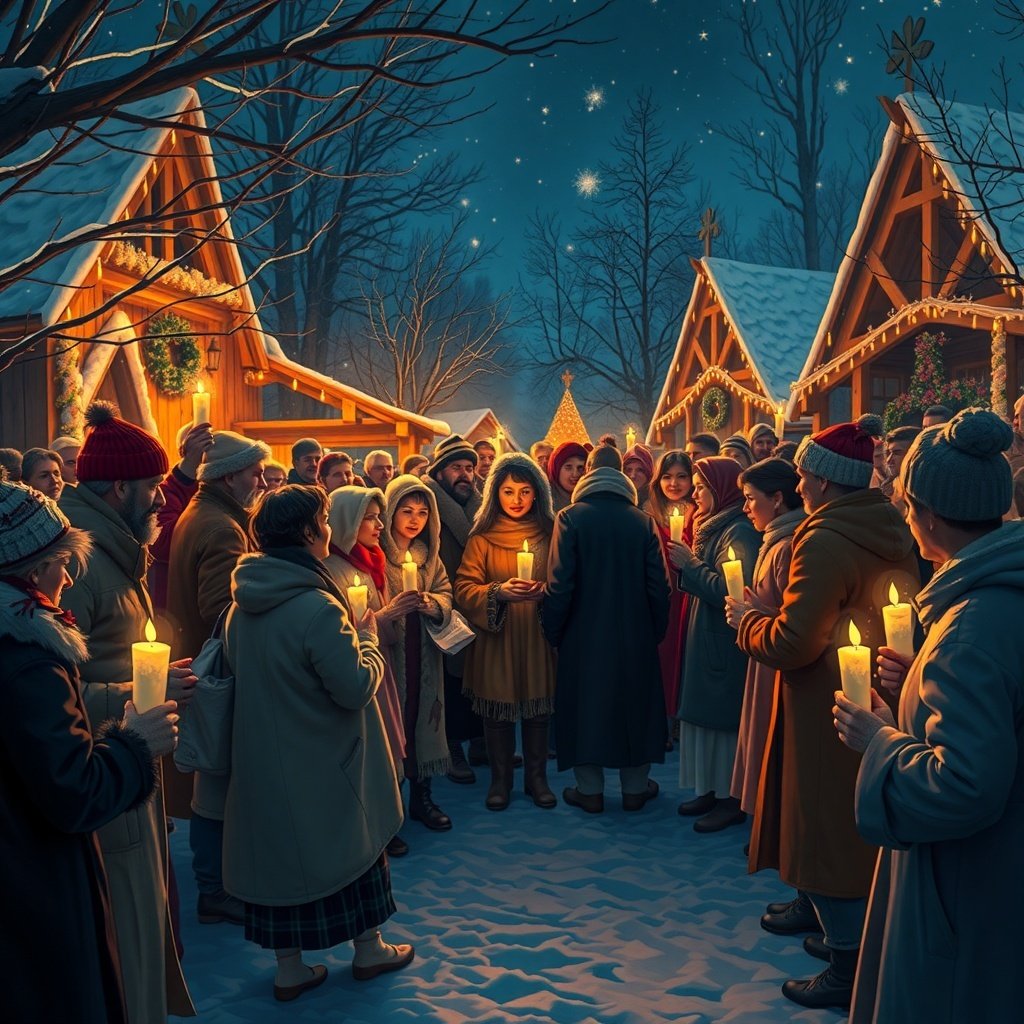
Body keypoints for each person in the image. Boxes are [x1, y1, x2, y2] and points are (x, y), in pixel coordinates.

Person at [833, 409, 1024, 1024]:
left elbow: (964, 785)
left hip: (968, 886)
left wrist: (880, 740)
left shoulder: (969, 628)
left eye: (906, 502)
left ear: (932, 514)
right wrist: (912, 692)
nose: (902, 513)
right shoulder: (993, 596)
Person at [735, 420, 920, 1011]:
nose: (798, 484)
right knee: (838, 817)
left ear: (820, 480)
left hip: (825, 705)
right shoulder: (887, 526)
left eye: (804, 475)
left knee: (823, 825)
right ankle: (827, 919)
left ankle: (846, 959)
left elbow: (794, 641)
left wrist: (747, 623)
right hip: (866, 694)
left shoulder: (824, 538)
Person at [223, 485, 414, 1002]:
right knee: (354, 846)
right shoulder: (316, 608)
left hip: (265, 757)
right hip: (328, 759)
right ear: (309, 532)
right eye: (324, 518)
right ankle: (369, 947)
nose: (330, 527)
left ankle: (290, 967)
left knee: (282, 861)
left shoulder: (241, 607)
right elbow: (353, 686)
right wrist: (369, 639)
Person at [0, 481, 181, 1024]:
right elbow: (73, 792)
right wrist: (133, 746)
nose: (69, 577)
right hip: (33, 885)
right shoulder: (29, 661)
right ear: (32, 570)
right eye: (62, 562)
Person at [59, 401, 194, 1022]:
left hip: (129, 767)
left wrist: (157, 683)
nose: (163, 500)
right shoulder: (80, 562)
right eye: (153, 488)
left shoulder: (115, 546)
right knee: (123, 948)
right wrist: (140, 696)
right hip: (103, 778)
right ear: (118, 489)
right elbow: (49, 689)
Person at [166, 430, 269, 925]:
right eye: (254, 472)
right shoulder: (222, 527)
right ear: (230, 475)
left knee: (214, 783)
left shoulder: (210, 513)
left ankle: (218, 881)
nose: (261, 480)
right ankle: (216, 887)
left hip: (205, 667)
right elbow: (220, 606)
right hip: (217, 674)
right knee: (215, 785)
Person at [543, 445, 671, 813]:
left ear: (588, 476)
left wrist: (554, 631)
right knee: (635, 704)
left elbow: (559, 585)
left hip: (582, 635)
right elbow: (659, 587)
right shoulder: (642, 520)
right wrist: (654, 630)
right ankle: (634, 788)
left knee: (586, 707)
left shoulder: (570, 517)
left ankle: (590, 790)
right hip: (636, 634)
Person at [456, 453, 557, 811]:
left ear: (538, 495)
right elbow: (464, 588)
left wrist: (548, 591)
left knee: (537, 710)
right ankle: (500, 781)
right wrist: (497, 592)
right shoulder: (482, 539)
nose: (516, 500)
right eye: (508, 491)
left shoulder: (550, 533)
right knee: (497, 713)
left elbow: (564, 579)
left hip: (537, 635)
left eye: (525, 491)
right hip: (496, 637)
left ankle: (536, 778)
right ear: (495, 493)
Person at [669, 456, 759, 833]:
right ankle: (710, 788)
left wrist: (689, 564)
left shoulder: (737, 530)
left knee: (722, 720)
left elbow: (730, 590)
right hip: (706, 633)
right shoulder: (713, 526)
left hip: (722, 638)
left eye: (702, 487)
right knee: (705, 717)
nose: (694, 494)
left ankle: (729, 797)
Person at [724, 459, 804, 820]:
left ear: (776, 498)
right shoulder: (774, 540)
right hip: (762, 652)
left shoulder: (788, 546)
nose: (745, 507)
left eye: (750, 498)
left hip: (776, 660)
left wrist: (752, 615)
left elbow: (798, 617)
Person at [382, 476, 459, 827]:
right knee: (394, 722)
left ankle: (422, 796)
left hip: (424, 650)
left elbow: (445, 590)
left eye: (423, 513)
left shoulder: (429, 557)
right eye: (407, 511)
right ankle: (390, 805)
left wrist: (434, 603)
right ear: (390, 513)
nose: (415, 520)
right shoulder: (378, 556)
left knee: (421, 717)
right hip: (392, 651)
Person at [424, 435, 485, 783]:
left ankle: (480, 740)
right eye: (456, 467)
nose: (464, 475)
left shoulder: (479, 506)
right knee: (448, 678)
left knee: (475, 674)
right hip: (444, 600)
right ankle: (451, 747)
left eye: (469, 468)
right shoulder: (429, 504)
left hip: (475, 599)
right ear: (441, 471)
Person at [647, 450, 696, 729]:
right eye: (667, 477)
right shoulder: (648, 515)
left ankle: (681, 715)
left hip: (689, 593)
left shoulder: (700, 513)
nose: (674, 483)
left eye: (681, 476)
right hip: (663, 595)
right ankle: (662, 718)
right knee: (662, 655)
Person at [147, 420, 213, 616]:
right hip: (173, 606)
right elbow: (164, 542)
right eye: (200, 445)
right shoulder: (167, 492)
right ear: (184, 451)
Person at [880, 426, 920, 507]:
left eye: (897, 453)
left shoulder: (922, 492)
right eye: (888, 453)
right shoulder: (888, 488)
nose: (889, 460)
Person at [546, 440, 587, 513]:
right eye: (568, 467)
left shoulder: (592, 498)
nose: (575, 474)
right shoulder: (543, 504)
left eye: (580, 468)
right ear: (556, 469)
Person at [622, 443, 655, 509]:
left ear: (648, 473)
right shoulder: (618, 498)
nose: (633, 476)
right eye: (629, 470)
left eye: (640, 470)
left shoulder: (655, 502)